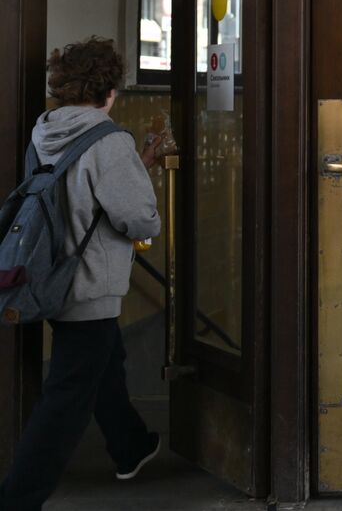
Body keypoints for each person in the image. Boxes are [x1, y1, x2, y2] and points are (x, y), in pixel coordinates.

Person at [0, 37, 169, 511]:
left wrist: (141, 164)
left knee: (104, 363)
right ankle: (19, 497)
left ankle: (130, 446)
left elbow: (76, 183)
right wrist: (145, 193)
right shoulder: (110, 139)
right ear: (109, 89)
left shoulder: (45, 129)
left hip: (47, 273)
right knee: (67, 397)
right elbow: (137, 217)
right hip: (89, 281)